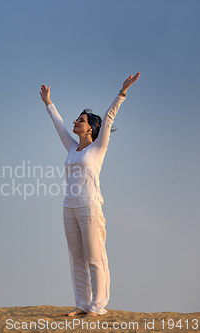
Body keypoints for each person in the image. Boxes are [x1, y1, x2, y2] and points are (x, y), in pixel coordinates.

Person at [39, 73, 140, 318]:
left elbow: (108, 118)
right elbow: (58, 125)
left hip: (90, 207)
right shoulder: (72, 147)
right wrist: (48, 103)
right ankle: (82, 304)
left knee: (95, 258)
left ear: (91, 127)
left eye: (81, 120)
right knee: (76, 259)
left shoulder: (98, 147)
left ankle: (98, 306)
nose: (76, 122)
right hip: (69, 207)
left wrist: (122, 92)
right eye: (76, 119)